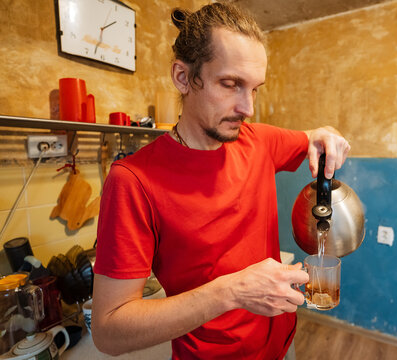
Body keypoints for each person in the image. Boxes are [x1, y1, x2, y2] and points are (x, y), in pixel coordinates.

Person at [91, 2, 350, 359]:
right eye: (231, 84)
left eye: (255, 88)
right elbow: (109, 331)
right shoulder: (133, 180)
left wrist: (329, 135)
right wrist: (232, 291)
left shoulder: (258, 141)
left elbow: (316, 137)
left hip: (280, 345)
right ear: (183, 77)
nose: (248, 108)